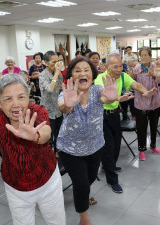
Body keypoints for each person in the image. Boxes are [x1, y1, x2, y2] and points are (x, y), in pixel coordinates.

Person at [0, 74, 66, 225]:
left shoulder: (37, 110)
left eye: (21, 97)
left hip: (48, 181)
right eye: (8, 99)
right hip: (15, 187)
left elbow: (46, 133)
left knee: (56, 222)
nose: (16, 104)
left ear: (28, 97)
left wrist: (35, 135)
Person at [57, 57, 118, 225]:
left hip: (95, 146)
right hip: (70, 150)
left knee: (90, 179)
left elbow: (106, 99)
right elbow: (64, 106)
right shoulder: (66, 93)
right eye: (77, 70)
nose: (82, 73)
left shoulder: (98, 90)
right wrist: (68, 105)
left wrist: (112, 98)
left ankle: (83, 195)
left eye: (86, 70)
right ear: (71, 76)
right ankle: (84, 219)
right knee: (82, 184)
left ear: (92, 74)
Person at [94, 53, 157, 193]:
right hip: (102, 117)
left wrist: (146, 92)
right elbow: (103, 96)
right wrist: (117, 97)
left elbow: (136, 84)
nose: (118, 69)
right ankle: (112, 180)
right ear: (106, 66)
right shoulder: (100, 78)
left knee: (116, 145)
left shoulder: (122, 76)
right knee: (108, 148)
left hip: (115, 114)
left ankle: (107, 165)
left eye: (120, 66)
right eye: (114, 66)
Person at [133, 46, 160, 160]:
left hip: (154, 102)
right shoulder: (137, 68)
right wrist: (130, 75)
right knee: (141, 128)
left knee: (153, 125)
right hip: (141, 103)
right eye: (141, 55)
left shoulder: (154, 67)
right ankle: (141, 149)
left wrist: (154, 75)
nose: (143, 57)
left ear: (150, 56)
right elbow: (133, 83)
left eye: (145, 55)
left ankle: (153, 146)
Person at [39, 50, 63, 151]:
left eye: (58, 61)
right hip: (47, 111)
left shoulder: (59, 74)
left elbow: (59, 88)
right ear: (46, 63)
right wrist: (57, 73)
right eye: (54, 62)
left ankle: (59, 156)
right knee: (48, 137)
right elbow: (50, 89)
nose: (57, 64)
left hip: (58, 109)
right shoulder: (42, 76)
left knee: (59, 135)